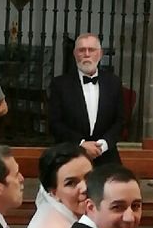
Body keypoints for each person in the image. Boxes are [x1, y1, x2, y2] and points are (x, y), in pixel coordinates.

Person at [49, 33, 124, 166]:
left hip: (107, 158)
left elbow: (120, 120)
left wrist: (103, 145)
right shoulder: (59, 84)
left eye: (91, 50)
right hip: (70, 157)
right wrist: (81, 144)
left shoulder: (114, 83)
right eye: (82, 50)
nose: (86, 54)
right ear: (74, 53)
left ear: (100, 54)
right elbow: (55, 123)